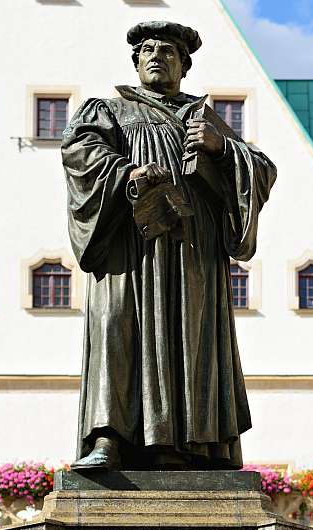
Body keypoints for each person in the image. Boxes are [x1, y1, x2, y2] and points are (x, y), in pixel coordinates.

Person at [61, 21, 276, 471]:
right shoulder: (109, 111)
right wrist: (128, 172)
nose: (157, 56)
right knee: (116, 327)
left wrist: (222, 149)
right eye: (148, 50)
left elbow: (262, 170)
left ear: (184, 65)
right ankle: (108, 439)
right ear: (136, 62)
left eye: (168, 52)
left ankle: (183, 445)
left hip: (193, 252)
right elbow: (80, 153)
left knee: (190, 339)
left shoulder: (205, 119)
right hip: (129, 248)